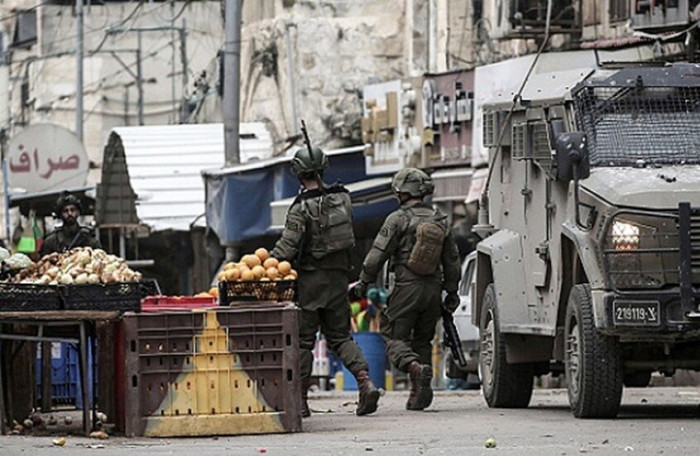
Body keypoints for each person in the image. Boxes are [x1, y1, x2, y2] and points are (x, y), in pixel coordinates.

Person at [269, 146, 380, 418]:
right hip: (339, 278)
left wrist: (267, 263)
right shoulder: (343, 197)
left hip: (310, 281)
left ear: (298, 173)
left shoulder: (300, 208)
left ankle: (300, 400)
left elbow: (287, 247)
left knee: (303, 341)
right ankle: (365, 382)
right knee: (341, 337)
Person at [351, 168, 461, 411]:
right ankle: (417, 392)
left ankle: (414, 368)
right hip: (433, 288)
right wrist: (452, 291)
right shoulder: (440, 220)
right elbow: (452, 260)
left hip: (406, 286)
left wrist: (364, 282)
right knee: (423, 340)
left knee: (393, 337)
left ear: (401, 192)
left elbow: (377, 255)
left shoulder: (397, 219)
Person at [39, 191, 101, 257]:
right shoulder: (51, 242)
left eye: (72, 210)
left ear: (78, 212)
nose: (69, 213)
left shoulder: (88, 238)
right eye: (65, 211)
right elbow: (44, 261)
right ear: (60, 214)